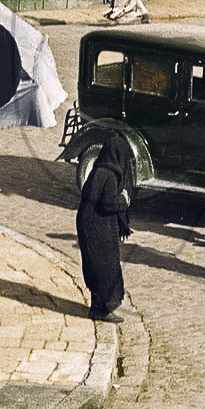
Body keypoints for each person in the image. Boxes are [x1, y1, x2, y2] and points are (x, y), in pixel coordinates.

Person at [76, 134, 131, 321]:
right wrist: (124, 200)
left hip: (89, 224)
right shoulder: (110, 175)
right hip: (98, 227)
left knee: (95, 265)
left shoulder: (99, 169)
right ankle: (102, 310)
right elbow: (108, 204)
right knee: (105, 267)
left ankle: (98, 307)